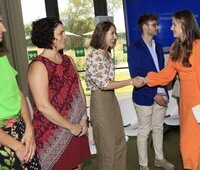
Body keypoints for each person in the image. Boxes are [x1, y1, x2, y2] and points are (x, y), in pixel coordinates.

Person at [28, 17, 90, 170]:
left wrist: (83, 118)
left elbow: (79, 90)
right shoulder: (38, 66)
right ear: (49, 37)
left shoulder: (69, 60)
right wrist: (70, 126)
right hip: (53, 131)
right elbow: (42, 106)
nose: (65, 36)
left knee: (78, 165)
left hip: (76, 125)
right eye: (61, 33)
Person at [145, 10, 200, 170]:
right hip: (186, 106)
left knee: (189, 147)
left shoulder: (198, 46)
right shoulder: (176, 47)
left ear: (184, 26)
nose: (170, 28)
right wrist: (148, 79)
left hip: (198, 105)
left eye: (174, 24)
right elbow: (167, 75)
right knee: (188, 147)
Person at [85, 21, 143, 170]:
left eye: (115, 33)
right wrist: (131, 81)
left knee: (119, 143)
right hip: (101, 103)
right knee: (107, 148)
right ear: (102, 34)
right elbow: (104, 84)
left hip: (111, 100)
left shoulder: (107, 55)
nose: (115, 37)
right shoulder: (94, 56)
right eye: (112, 33)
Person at [128, 13, 175, 170]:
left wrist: (161, 92)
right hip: (144, 97)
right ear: (144, 27)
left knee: (158, 128)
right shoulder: (134, 49)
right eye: (153, 24)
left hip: (161, 94)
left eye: (156, 24)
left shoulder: (159, 47)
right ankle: (143, 165)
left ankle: (159, 159)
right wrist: (154, 94)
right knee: (143, 131)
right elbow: (136, 76)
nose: (156, 27)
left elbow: (161, 73)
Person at [0, 15, 41, 169]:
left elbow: (19, 94)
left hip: (20, 129)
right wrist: (17, 146)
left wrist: (29, 128)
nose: (3, 28)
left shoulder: (2, 58)